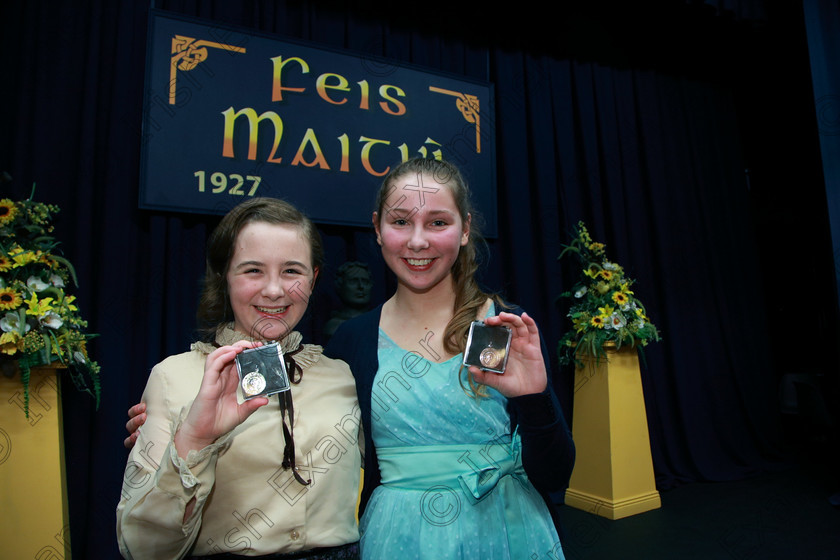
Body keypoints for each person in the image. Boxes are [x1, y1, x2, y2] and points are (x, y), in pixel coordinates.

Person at [325, 157, 575, 559]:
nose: (418, 241)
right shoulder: (351, 341)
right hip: (398, 540)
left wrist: (535, 400)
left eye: (438, 222)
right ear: (377, 228)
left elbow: (556, 474)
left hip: (511, 536)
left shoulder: (504, 329)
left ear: (465, 229)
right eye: (401, 221)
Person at [116, 198, 362, 560]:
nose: (275, 290)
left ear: (315, 278)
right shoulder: (173, 378)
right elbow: (143, 549)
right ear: (223, 275)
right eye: (253, 270)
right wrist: (193, 440)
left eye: (292, 271)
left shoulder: (342, 374)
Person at [322, 262, 373, 340]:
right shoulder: (334, 327)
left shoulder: (380, 323)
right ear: (340, 285)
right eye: (353, 281)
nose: (361, 286)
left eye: (365, 282)